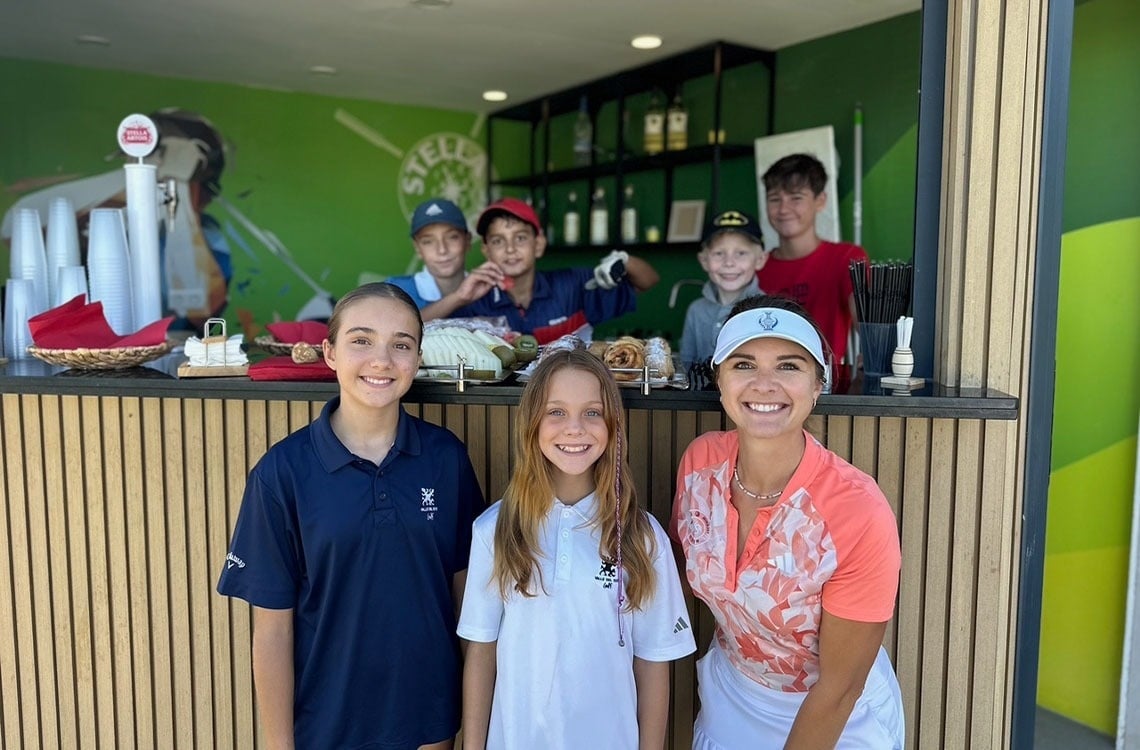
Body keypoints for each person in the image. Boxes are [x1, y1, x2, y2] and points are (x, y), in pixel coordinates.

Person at [216, 282, 485, 749]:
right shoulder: (282, 473)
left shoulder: (446, 459)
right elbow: (273, 632)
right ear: (330, 352)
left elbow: (469, 604)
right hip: (327, 723)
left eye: (401, 345)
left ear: (417, 358)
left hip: (429, 717)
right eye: (361, 340)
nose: (382, 360)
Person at [672, 294, 904, 749]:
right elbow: (686, 575)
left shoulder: (856, 510)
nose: (764, 383)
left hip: (836, 718)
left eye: (789, 366)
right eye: (743, 365)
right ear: (719, 380)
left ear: (818, 385)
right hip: (731, 696)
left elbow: (837, 691)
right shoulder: (700, 464)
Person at [458, 348, 696, 749]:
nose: (575, 428)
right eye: (556, 412)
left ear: (613, 425)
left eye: (592, 412)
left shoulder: (642, 535)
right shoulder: (495, 529)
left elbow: (654, 662)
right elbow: (481, 653)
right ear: (531, 423)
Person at [420, 197, 660, 343]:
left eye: (521, 238)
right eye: (498, 241)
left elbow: (648, 280)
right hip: (499, 410)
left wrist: (622, 260)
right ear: (486, 250)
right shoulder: (474, 299)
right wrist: (459, 297)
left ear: (539, 244)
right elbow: (415, 328)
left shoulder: (576, 284)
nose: (510, 249)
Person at [757, 153, 868, 369]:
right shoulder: (756, 266)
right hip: (763, 387)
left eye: (796, 198)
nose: (783, 209)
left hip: (828, 391)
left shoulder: (847, 258)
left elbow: (865, 324)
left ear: (820, 201)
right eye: (774, 199)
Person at [680, 208, 768, 370]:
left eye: (741, 253)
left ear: (760, 259)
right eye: (719, 253)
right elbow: (686, 366)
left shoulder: (767, 311)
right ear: (704, 260)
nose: (729, 262)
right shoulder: (696, 311)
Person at [388, 198, 500, 309]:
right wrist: (458, 298)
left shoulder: (489, 291)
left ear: (467, 240)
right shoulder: (396, 291)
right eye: (428, 242)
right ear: (417, 248)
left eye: (452, 237)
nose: (442, 250)